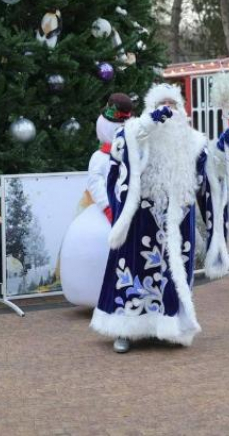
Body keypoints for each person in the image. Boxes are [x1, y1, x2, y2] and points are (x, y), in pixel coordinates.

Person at [90, 84, 229, 353]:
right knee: (133, 271)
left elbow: (209, 179)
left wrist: (223, 153)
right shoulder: (135, 133)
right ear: (151, 109)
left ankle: (169, 327)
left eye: (173, 105)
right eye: (161, 105)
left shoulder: (195, 143)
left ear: (182, 110)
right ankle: (125, 330)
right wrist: (148, 125)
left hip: (178, 223)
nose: (168, 110)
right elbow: (120, 155)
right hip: (140, 223)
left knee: (172, 276)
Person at [59, 93, 134, 307]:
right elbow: (96, 183)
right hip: (105, 210)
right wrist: (108, 208)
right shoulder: (99, 158)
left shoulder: (131, 156)